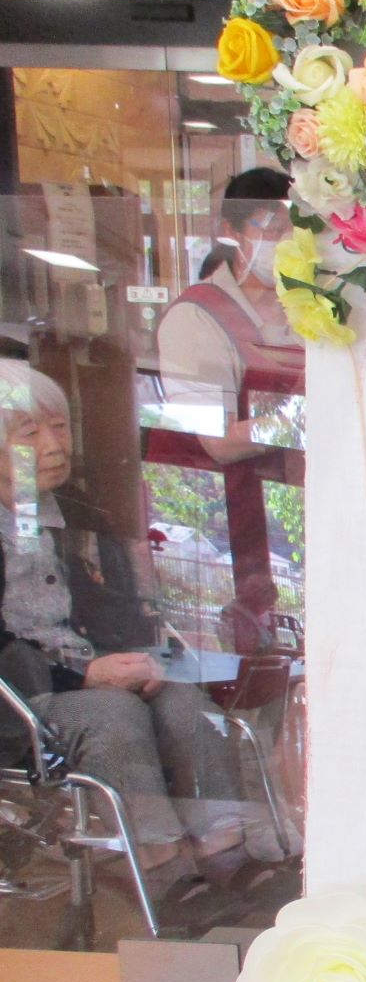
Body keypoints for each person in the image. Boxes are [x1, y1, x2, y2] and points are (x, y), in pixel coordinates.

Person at [0, 360, 287, 928]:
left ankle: (226, 853)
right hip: (23, 694)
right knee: (113, 715)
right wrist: (84, 676)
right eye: (29, 433)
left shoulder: (73, 510)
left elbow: (118, 606)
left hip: (92, 670)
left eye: (59, 427)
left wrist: (140, 658)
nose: (54, 445)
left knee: (184, 704)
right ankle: (162, 869)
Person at [156, 168, 303, 650]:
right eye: (271, 227)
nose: (286, 242)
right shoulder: (197, 317)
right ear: (233, 232)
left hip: (305, 511)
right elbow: (215, 441)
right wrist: (298, 423)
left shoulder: (308, 305)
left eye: (297, 228)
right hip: (238, 522)